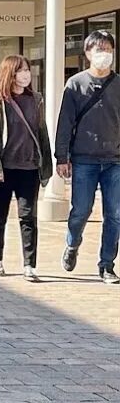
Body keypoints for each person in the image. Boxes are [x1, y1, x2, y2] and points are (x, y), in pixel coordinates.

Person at [0, 55, 53, 282]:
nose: (25, 75)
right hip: (3, 169)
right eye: (20, 70)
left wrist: (46, 165)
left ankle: (30, 265)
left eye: (27, 70)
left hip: (29, 167)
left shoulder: (36, 99)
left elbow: (42, 134)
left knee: (28, 217)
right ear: (10, 73)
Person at [56, 30, 120, 283]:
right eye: (98, 49)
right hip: (84, 159)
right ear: (88, 53)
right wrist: (62, 157)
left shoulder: (118, 84)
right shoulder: (75, 84)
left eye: (108, 49)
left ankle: (107, 265)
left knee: (114, 214)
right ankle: (72, 244)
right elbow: (65, 123)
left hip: (115, 160)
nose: (103, 54)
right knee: (81, 210)